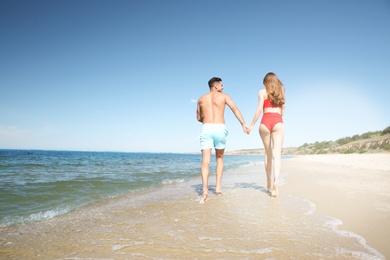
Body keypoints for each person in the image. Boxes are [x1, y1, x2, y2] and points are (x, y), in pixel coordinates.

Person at [196, 77, 249, 203]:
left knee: (205, 161)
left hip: (206, 127)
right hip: (220, 127)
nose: (223, 87)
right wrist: (243, 124)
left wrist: (208, 121)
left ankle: (204, 190)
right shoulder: (224, 96)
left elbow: (198, 117)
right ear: (215, 86)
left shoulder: (201, 99)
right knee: (219, 158)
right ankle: (218, 187)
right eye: (221, 85)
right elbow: (235, 109)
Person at [248, 72, 285, 197]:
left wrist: (251, 125)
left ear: (266, 82)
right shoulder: (281, 92)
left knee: (267, 153)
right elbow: (283, 112)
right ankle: (276, 182)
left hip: (265, 121)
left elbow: (259, 109)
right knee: (277, 155)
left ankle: (268, 181)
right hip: (278, 121)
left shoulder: (262, 92)